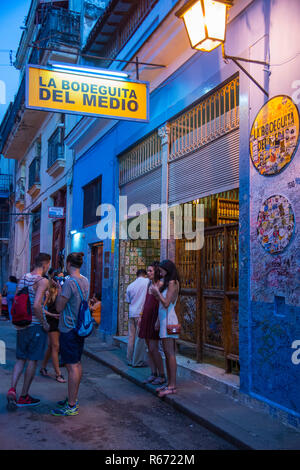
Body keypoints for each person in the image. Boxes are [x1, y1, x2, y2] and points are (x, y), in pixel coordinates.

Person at [6, 253, 51, 410]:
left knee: (20, 359)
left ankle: (12, 389)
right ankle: (24, 396)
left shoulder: (24, 277)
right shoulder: (42, 280)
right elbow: (37, 306)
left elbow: (18, 299)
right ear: (45, 265)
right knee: (32, 360)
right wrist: (44, 323)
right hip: (35, 325)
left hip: (22, 324)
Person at [51, 252, 89, 417]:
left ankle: (71, 405)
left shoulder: (69, 283)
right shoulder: (85, 280)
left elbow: (59, 307)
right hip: (79, 328)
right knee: (77, 363)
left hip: (68, 328)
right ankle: (72, 398)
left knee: (71, 366)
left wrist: (59, 290)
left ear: (68, 264)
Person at [150, 260, 180, 398]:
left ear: (168, 269)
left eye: (161, 270)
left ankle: (172, 386)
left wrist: (157, 292)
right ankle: (169, 383)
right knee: (167, 354)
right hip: (164, 319)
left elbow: (166, 303)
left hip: (169, 319)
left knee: (170, 353)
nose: (159, 272)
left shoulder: (173, 283)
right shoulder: (168, 282)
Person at [138, 262, 166, 386]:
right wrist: (141, 315)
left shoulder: (160, 284)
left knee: (154, 348)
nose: (148, 273)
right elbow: (145, 300)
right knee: (149, 348)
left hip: (155, 317)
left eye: (150, 271)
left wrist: (158, 320)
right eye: (147, 271)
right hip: (146, 316)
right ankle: (153, 373)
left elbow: (161, 303)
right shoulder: (149, 283)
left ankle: (162, 375)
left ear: (156, 272)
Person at [40, 279, 66, 383]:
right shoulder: (48, 293)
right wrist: (52, 315)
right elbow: (41, 308)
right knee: (56, 346)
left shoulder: (62, 291)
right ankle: (58, 374)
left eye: (62, 278)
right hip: (52, 322)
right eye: (58, 279)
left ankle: (43, 367)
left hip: (60, 322)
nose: (60, 281)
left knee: (51, 347)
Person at [125, 269, 149, 366]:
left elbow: (128, 301)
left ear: (137, 275)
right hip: (141, 314)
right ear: (145, 275)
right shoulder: (147, 282)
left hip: (131, 313)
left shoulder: (130, 286)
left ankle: (129, 359)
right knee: (140, 338)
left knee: (131, 337)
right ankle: (137, 361)